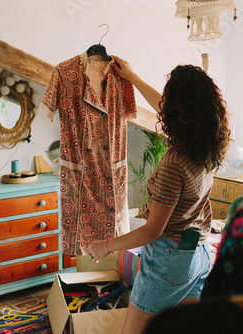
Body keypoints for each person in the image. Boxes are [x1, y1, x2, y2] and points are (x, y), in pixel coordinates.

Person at [86, 56, 232, 334]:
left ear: (179, 113)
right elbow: (164, 108)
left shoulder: (174, 164)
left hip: (170, 261)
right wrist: (134, 78)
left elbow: (152, 231)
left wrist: (105, 245)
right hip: (199, 256)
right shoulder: (210, 145)